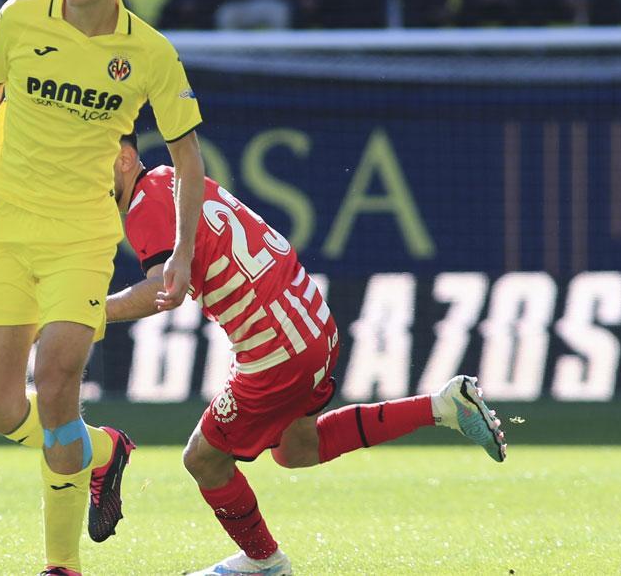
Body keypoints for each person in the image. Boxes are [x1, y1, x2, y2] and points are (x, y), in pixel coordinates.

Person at [0, 0, 207, 574]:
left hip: (81, 239)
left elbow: (189, 158)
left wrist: (182, 249)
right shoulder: (22, 17)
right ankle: (101, 452)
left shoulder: (148, 53)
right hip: (7, 230)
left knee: (55, 380)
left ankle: (62, 561)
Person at [106, 134, 506, 576]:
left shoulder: (144, 204)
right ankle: (443, 406)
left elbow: (165, 289)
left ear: (126, 158)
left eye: (90, 160)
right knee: (298, 448)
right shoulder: (170, 180)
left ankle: (264, 562)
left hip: (275, 351)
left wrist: (89, 314)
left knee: (203, 459)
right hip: (314, 323)